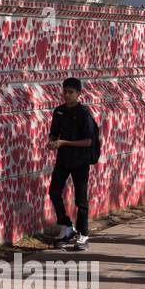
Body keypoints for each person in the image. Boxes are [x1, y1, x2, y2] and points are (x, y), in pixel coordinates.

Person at [47, 78, 97, 250]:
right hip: (63, 159)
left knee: (81, 200)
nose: (67, 95)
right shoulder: (59, 111)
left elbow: (88, 141)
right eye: (65, 92)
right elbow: (54, 133)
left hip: (80, 160)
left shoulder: (84, 113)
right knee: (54, 192)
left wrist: (65, 143)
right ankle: (67, 226)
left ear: (78, 94)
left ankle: (83, 234)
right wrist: (52, 142)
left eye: (71, 92)